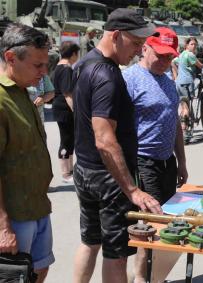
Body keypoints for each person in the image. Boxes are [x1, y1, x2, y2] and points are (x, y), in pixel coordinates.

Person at [72, 8, 161, 283]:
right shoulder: (107, 75)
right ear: (117, 35)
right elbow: (104, 139)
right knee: (116, 253)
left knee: (90, 241)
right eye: (135, 43)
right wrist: (132, 189)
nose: (138, 51)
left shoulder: (85, 62)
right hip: (107, 179)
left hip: (85, 169)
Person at [122, 26, 188, 283]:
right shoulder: (130, 79)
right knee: (149, 224)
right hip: (142, 162)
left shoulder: (168, 81)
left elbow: (175, 124)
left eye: (170, 57)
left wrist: (181, 161)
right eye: (160, 55)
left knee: (166, 222)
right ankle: (141, 277)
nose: (164, 61)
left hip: (166, 162)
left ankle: (153, 276)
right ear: (144, 48)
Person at [0, 23, 54, 283]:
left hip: (37, 207)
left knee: (38, 271)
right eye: (38, 66)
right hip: (14, 216)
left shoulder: (22, 92)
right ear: (11, 57)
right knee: (15, 277)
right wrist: (2, 226)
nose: (44, 73)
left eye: (46, 65)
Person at [52, 41, 80, 183]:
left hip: (60, 107)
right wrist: (76, 111)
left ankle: (69, 171)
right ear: (73, 54)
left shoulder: (57, 67)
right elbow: (68, 94)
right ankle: (65, 173)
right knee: (66, 139)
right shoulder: (66, 69)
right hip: (65, 108)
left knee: (68, 139)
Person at [171, 37, 203, 141]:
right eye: (192, 44)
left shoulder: (181, 55)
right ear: (187, 45)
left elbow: (172, 62)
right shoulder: (190, 55)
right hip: (187, 82)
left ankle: (182, 127)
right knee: (186, 107)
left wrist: (176, 74)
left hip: (179, 82)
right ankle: (184, 130)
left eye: (195, 45)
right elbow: (200, 66)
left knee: (184, 104)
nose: (194, 47)